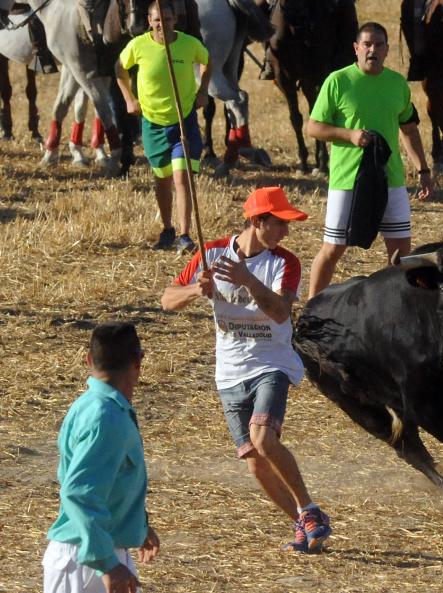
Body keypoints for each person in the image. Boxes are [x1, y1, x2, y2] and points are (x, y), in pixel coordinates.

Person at [161, 186, 333, 553]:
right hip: (229, 372)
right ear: (257, 221)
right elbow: (167, 300)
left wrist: (248, 280)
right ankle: (302, 524)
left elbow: (281, 313)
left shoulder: (286, 263)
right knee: (255, 463)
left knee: (264, 438)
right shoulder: (211, 253)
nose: (286, 232)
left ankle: (309, 508)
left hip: (271, 363)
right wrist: (195, 291)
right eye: (280, 223)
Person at [306, 21, 433, 299]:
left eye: (378, 45)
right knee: (333, 248)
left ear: (387, 50)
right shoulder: (338, 81)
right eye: (366, 44)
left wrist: (423, 169)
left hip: (391, 179)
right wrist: (349, 134)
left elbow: (409, 129)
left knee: (400, 252)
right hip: (347, 179)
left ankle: (393, 307)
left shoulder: (398, 84)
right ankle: (311, 309)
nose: (372, 50)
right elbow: (313, 127)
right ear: (356, 48)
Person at [43, 322, 160, 593]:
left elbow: (109, 482)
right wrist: (107, 564)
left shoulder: (94, 406)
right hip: (87, 561)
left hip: (95, 551)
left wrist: (137, 525)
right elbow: (79, 493)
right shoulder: (105, 417)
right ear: (138, 362)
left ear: (88, 360)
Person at [116, 0, 211, 254]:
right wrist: (129, 99)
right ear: (149, 21)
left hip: (183, 121)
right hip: (153, 123)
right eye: (157, 20)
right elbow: (119, 68)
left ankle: (185, 235)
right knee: (162, 179)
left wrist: (203, 90)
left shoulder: (189, 44)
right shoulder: (138, 45)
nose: (162, 25)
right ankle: (168, 229)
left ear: (175, 20)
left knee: (182, 177)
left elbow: (207, 61)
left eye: (167, 20)